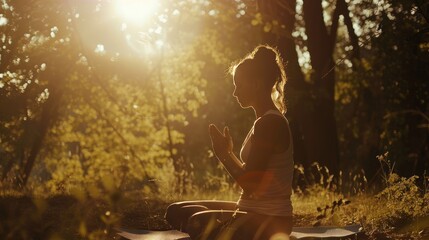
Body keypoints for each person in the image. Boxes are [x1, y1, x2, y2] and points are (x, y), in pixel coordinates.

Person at [165, 45, 294, 240]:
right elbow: (251, 173)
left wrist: (224, 155)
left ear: (257, 84)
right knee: (175, 210)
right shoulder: (263, 121)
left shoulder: (270, 123)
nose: (235, 92)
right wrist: (228, 153)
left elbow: (250, 185)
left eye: (239, 85)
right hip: (250, 210)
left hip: (270, 219)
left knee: (195, 220)